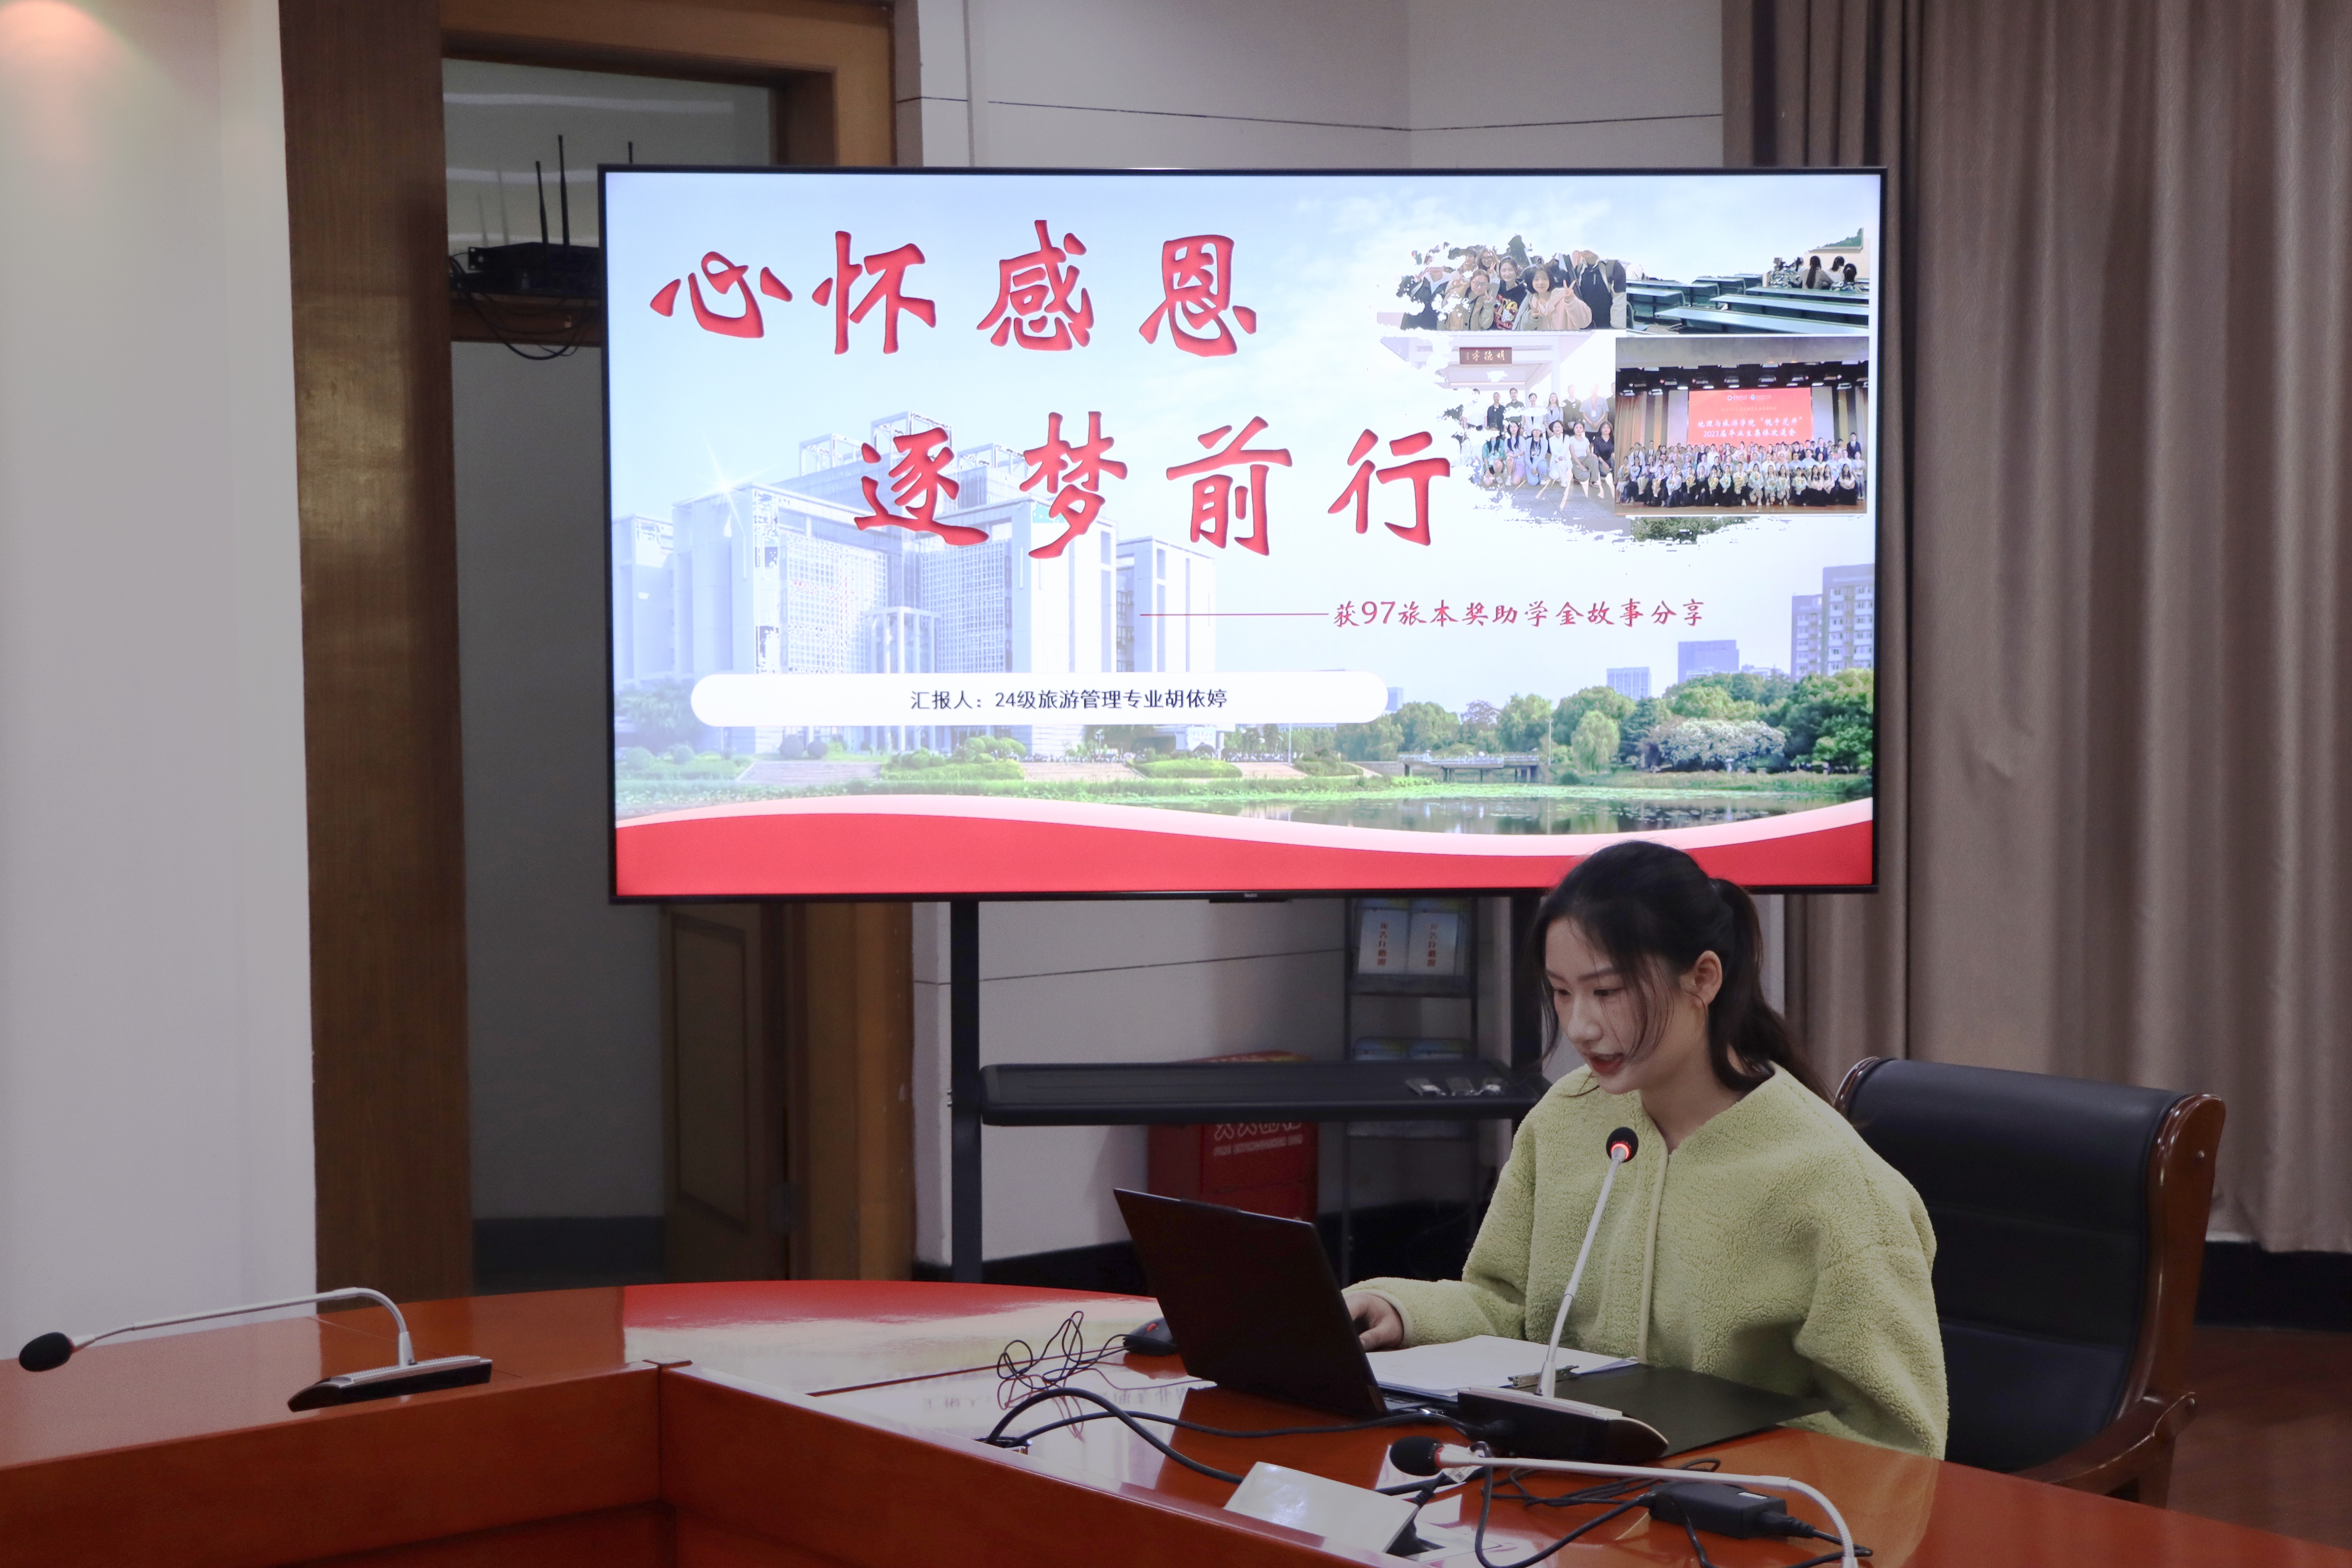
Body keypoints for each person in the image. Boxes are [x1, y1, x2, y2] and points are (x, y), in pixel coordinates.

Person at [1343, 842, 1948, 1457]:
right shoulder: (1566, 1118)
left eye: (1607, 992)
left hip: (1728, 1504)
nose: (1580, 1027)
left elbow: (1897, 1442)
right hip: (1565, 1488)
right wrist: (1400, 1311)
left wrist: (1711, 1465)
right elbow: (1511, 1310)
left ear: (1703, 979)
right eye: (1561, 993)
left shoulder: (1836, 1185)